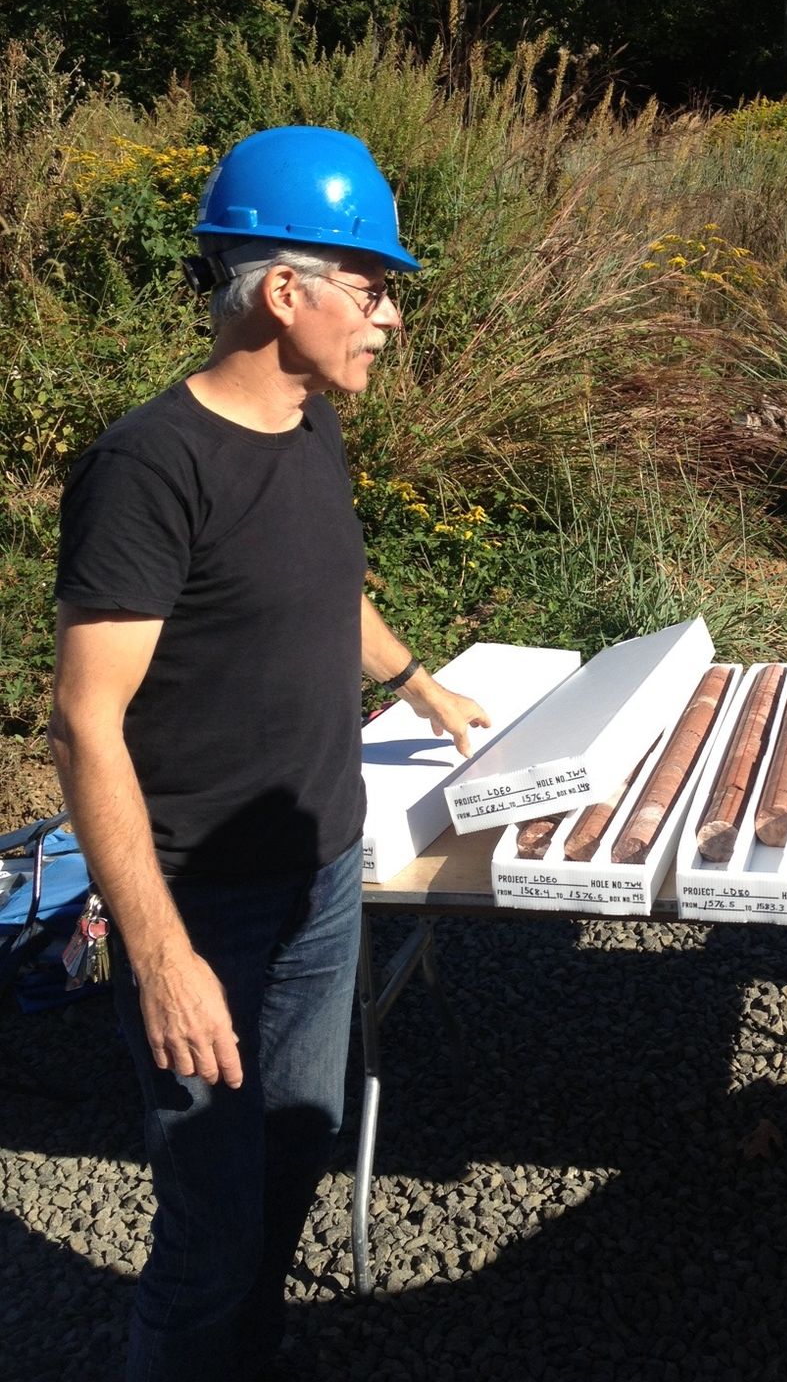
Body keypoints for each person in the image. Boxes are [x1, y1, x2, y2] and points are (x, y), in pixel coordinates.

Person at [48, 126, 489, 1381]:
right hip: (206, 911)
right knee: (207, 1223)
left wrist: (419, 682)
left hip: (323, 878)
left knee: (298, 1143)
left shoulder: (307, 423)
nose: (390, 317)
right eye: (372, 285)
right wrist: (162, 955)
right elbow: (87, 719)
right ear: (285, 291)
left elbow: (321, 588)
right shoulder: (149, 467)